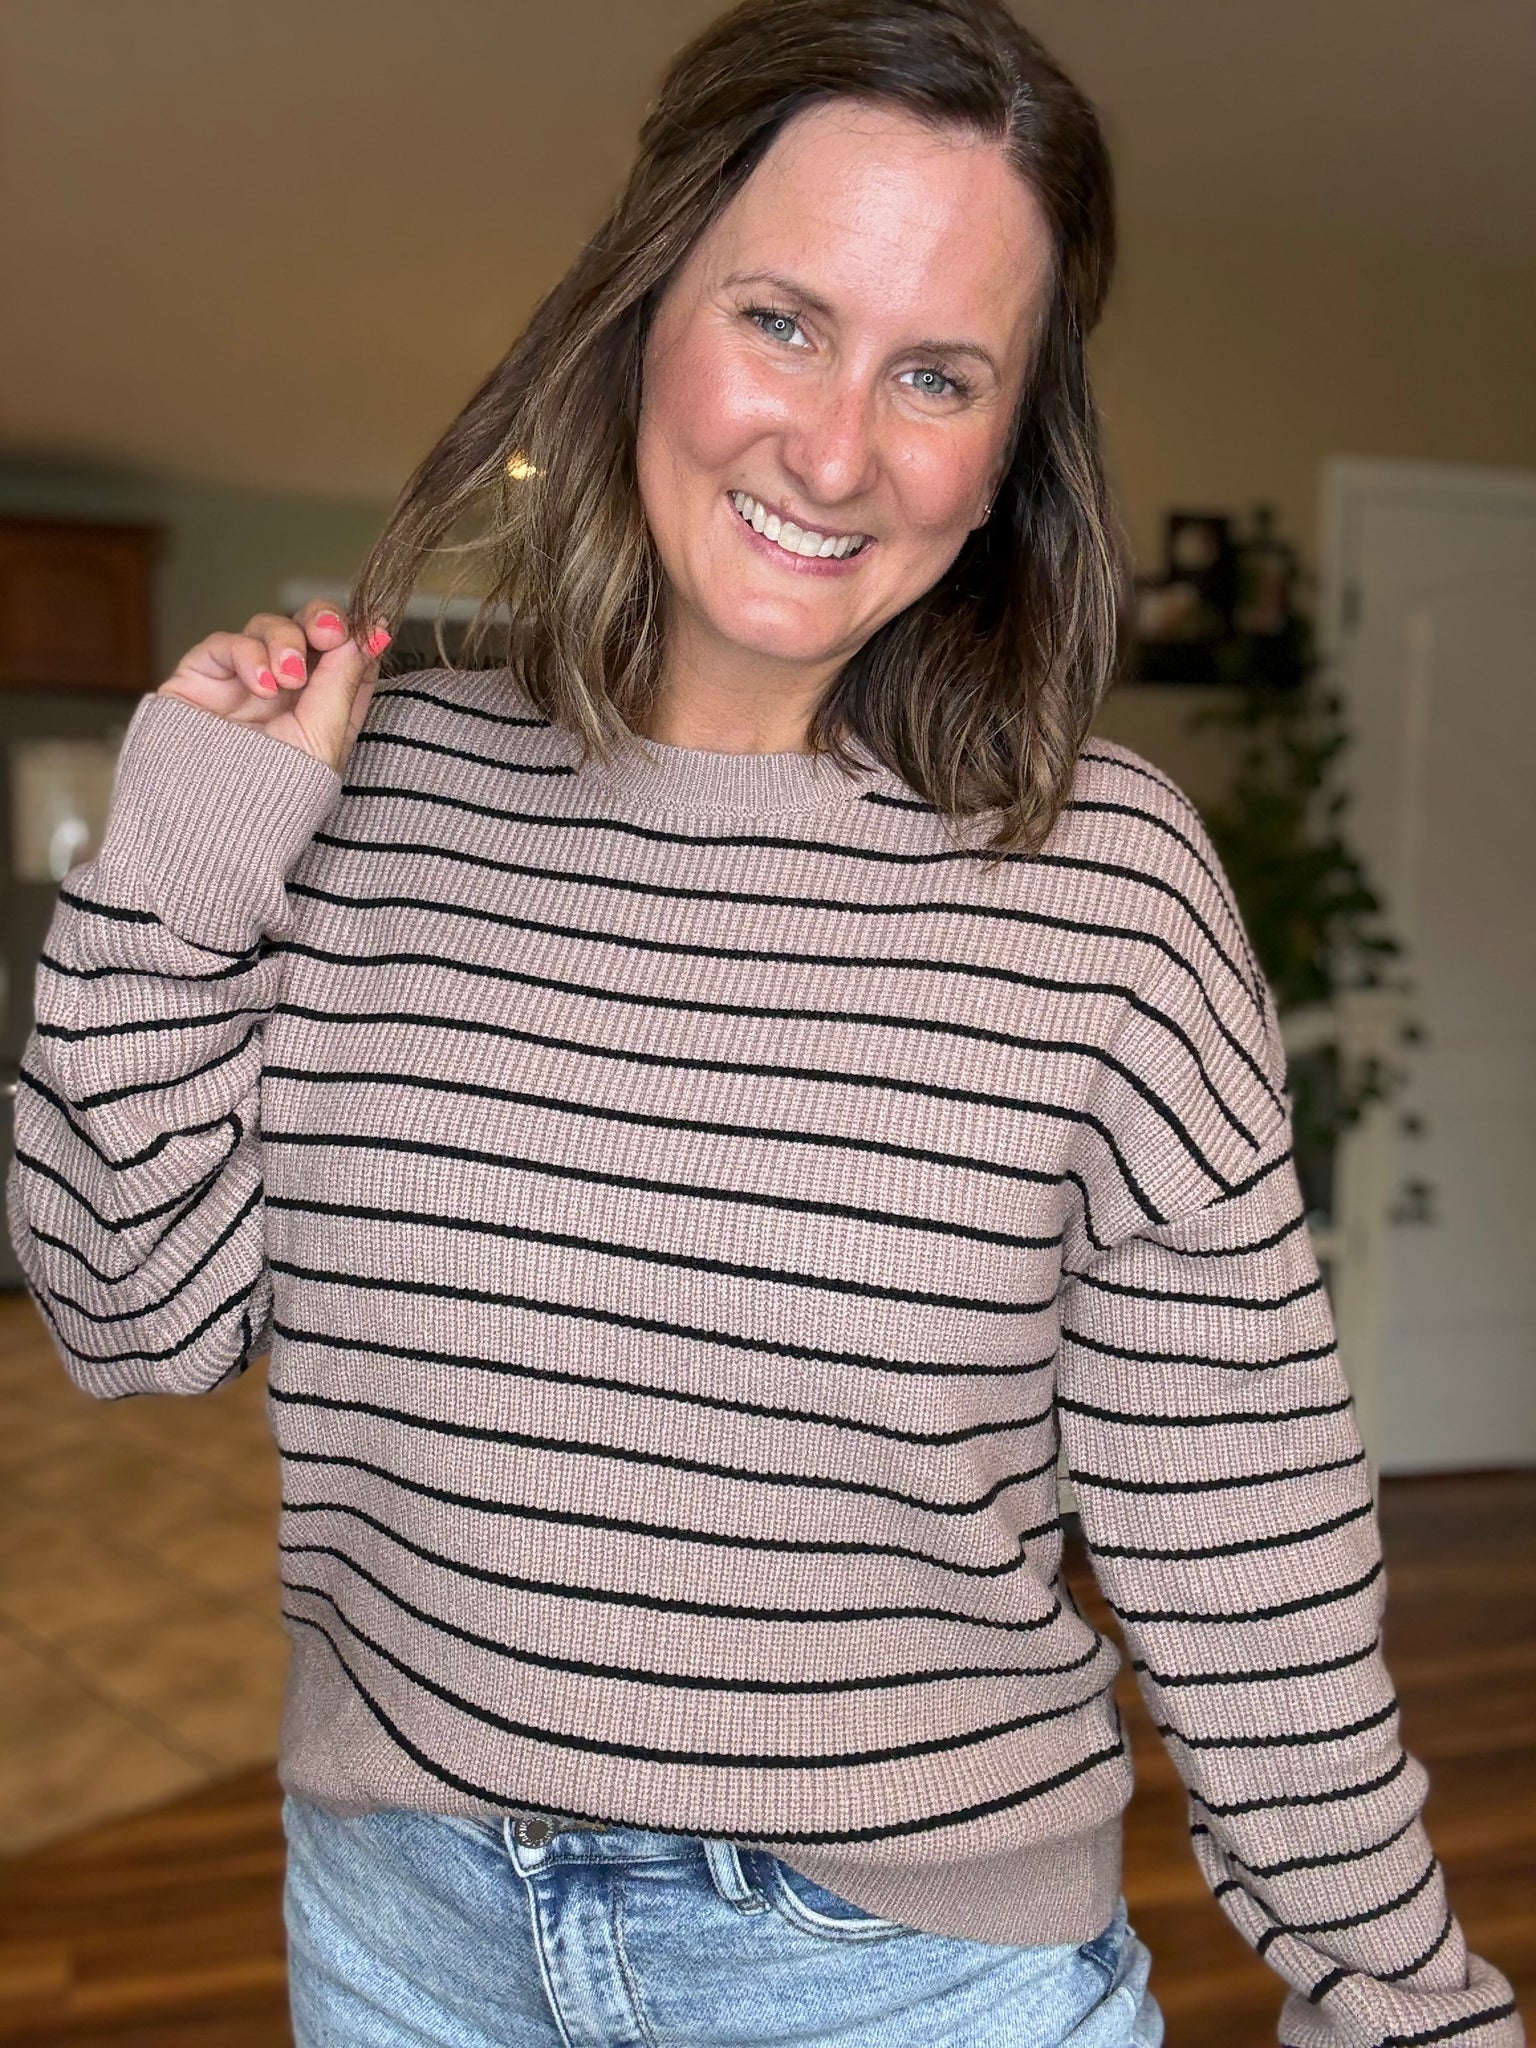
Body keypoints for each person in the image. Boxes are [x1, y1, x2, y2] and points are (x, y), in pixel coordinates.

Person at [6, 1, 1522, 2044]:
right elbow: (127, 1316)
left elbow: (1241, 1526)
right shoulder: (365, 793)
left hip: (905, 1976)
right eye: (784, 321)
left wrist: (1401, 1995)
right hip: (400, 1931)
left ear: (1009, 452)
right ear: (645, 310)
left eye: (938, 374)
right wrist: (181, 871)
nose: (833, 449)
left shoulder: (1107, 885)